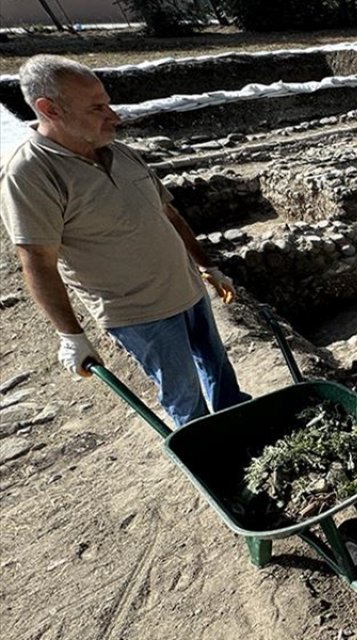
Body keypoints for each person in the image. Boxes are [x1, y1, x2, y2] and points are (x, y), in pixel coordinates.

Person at [0, 54, 249, 427]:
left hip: (188, 289)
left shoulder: (119, 151)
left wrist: (206, 265)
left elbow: (167, 214)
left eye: (108, 103)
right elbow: (37, 259)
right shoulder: (31, 173)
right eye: (97, 107)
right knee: (184, 397)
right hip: (140, 314)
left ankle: (244, 428)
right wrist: (70, 334)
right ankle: (213, 460)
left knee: (218, 368)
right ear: (49, 109)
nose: (114, 116)